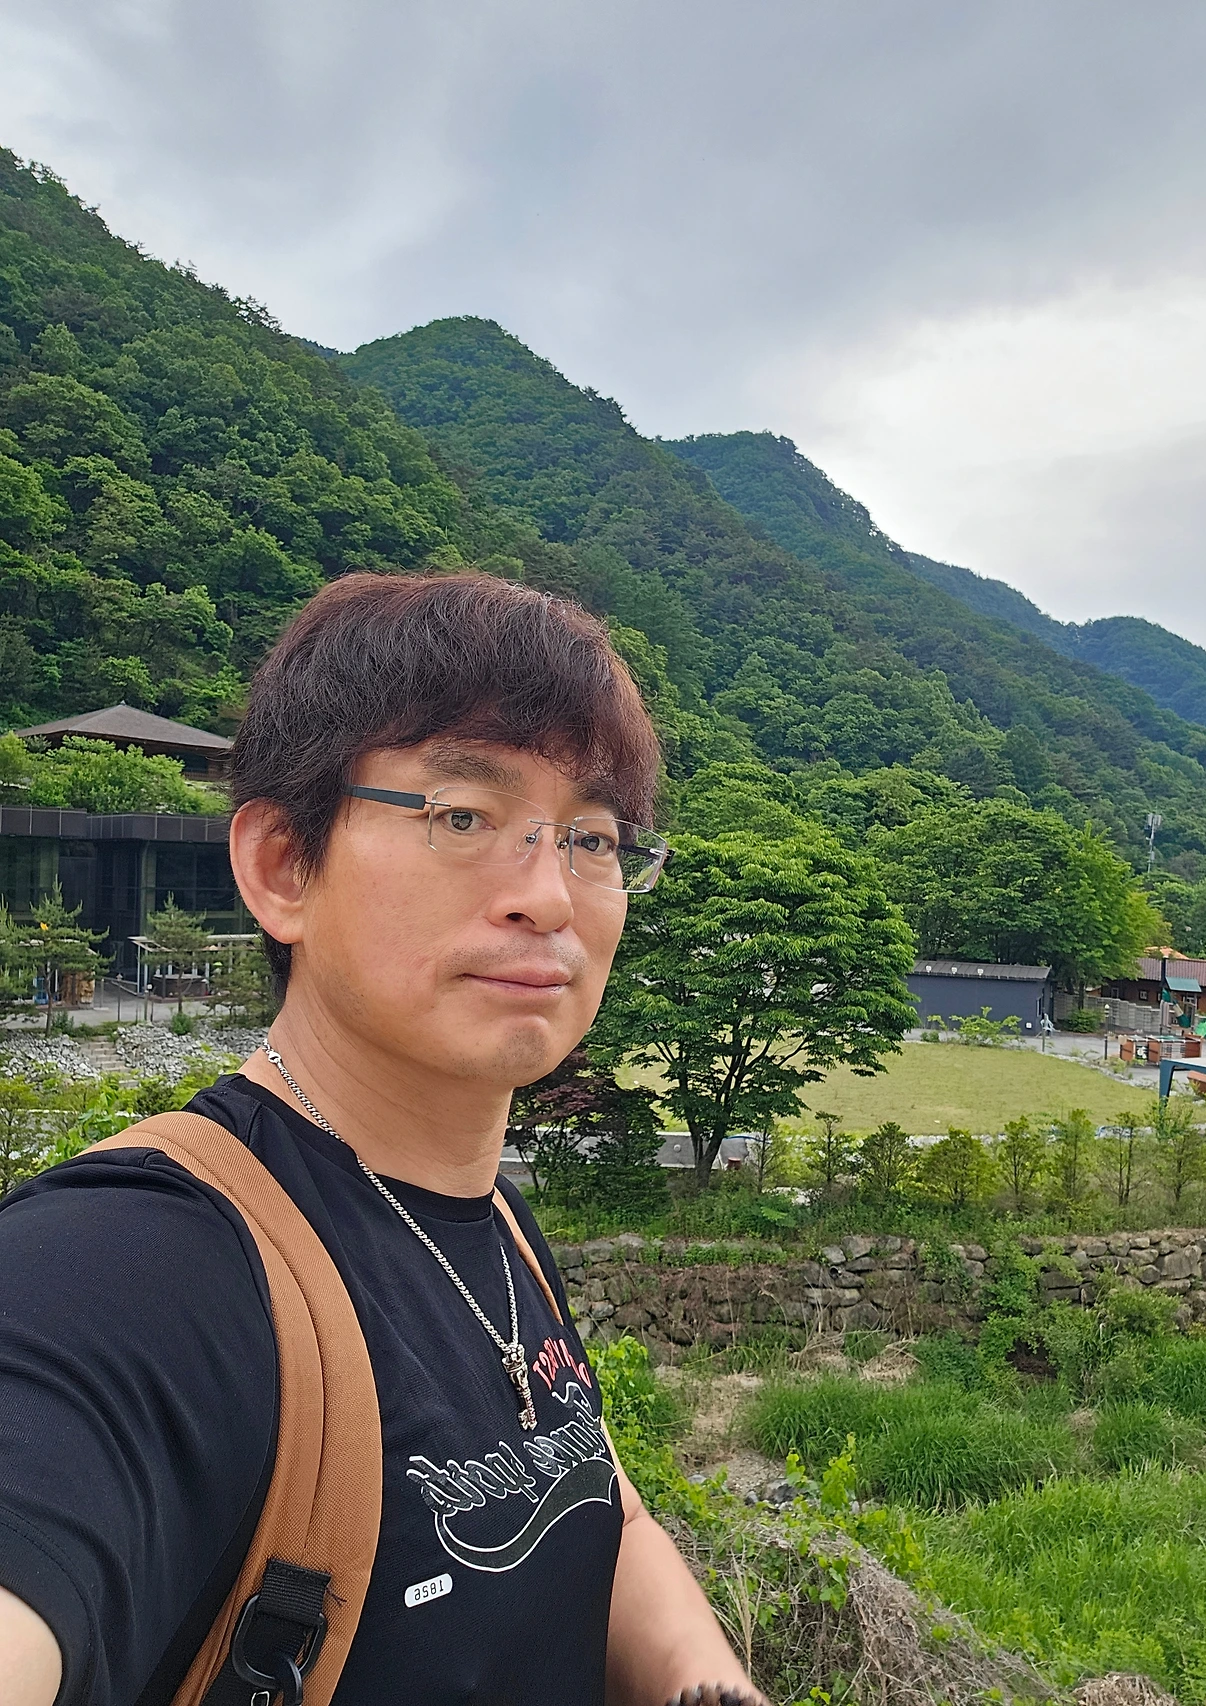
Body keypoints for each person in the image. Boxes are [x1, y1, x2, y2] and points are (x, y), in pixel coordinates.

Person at [0, 574, 768, 1706]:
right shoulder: (129, 1267)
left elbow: (599, 1505)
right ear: (282, 866)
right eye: (461, 816)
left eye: (592, 837)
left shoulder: (492, 1221)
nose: (550, 896)